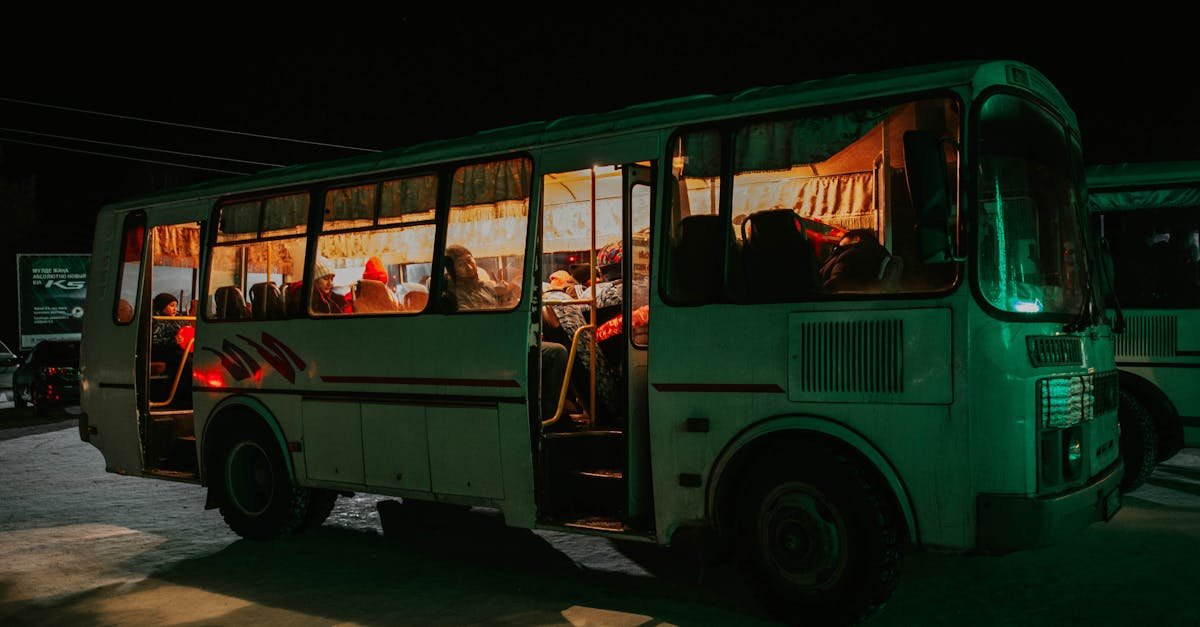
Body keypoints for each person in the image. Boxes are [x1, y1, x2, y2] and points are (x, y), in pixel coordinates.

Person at [443, 244, 518, 311]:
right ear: (453, 271)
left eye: (469, 260)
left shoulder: (488, 285)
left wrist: (505, 293)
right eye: (460, 265)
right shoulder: (455, 297)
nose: (469, 267)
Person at [819, 228, 890, 290]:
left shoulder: (852, 254)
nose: (839, 245)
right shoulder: (877, 252)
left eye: (843, 239)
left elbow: (837, 282)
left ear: (856, 239)